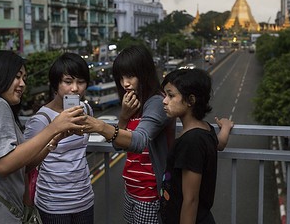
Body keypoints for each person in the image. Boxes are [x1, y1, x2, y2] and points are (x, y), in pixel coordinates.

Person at [0, 50, 86, 224]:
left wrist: (54, 139)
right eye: (17, 77)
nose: (22, 84)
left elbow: (22, 166)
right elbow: (5, 164)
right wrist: (53, 127)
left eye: (24, 78)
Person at [82, 44, 176, 223]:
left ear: (145, 74)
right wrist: (124, 116)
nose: (125, 83)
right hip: (131, 190)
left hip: (149, 195)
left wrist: (99, 126)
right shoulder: (133, 103)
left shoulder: (156, 103)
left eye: (131, 76)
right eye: (121, 77)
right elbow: (119, 145)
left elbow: (139, 141)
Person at [24, 52, 95, 223]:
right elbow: (25, 163)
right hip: (53, 204)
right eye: (68, 81)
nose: (75, 88)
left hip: (84, 199)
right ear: (56, 84)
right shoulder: (41, 119)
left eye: (81, 82)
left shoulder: (86, 110)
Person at [159, 68, 234, 224]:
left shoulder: (191, 141)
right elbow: (219, 144)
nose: (164, 101)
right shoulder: (205, 128)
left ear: (190, 100)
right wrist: (225, 127)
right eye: (165, 95)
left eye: (171, 96)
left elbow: (191, 199)